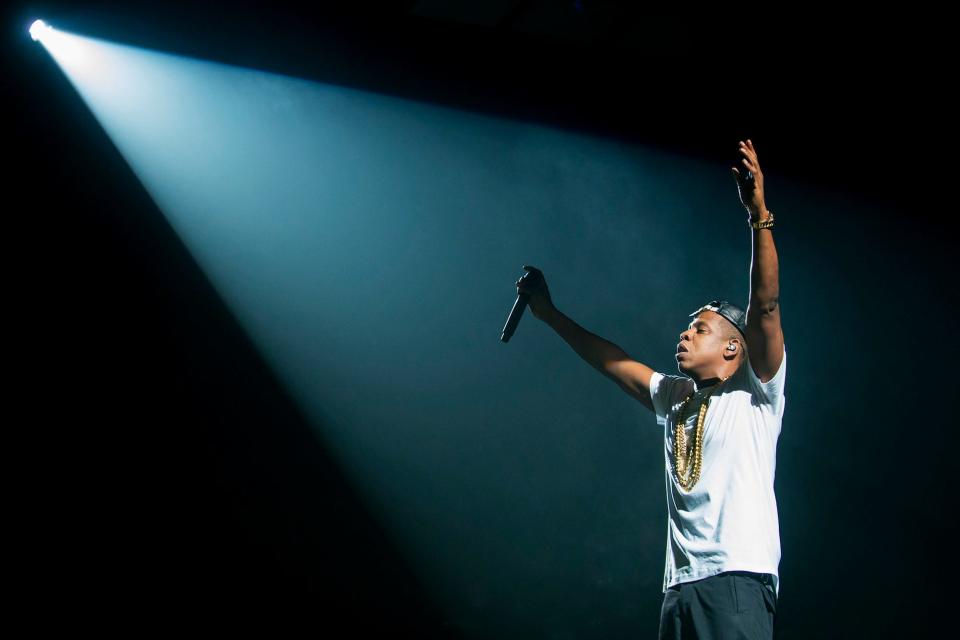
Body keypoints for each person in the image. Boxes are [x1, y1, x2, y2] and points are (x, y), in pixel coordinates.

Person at [516, 140, 784, 639]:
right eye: (687, 328)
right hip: (678, 590)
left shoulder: (756, 392)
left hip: (736, 581)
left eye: (701, 329)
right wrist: (549, 314)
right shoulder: (675, 396)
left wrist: (759, 215)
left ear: (733, 348)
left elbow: (765, 307)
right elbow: (612, 361)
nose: (685, 334)